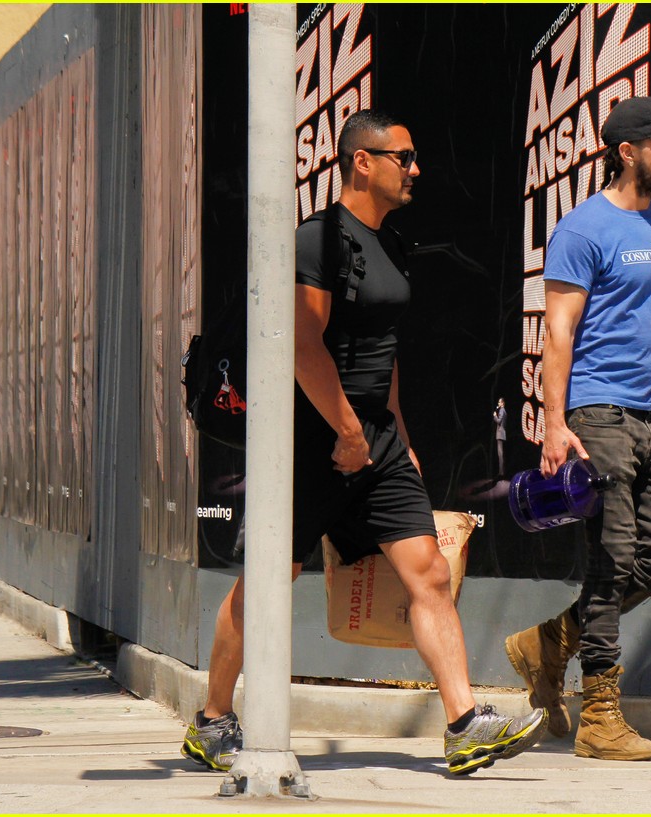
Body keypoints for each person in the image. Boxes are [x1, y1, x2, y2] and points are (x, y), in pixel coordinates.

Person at [182, 110, 545, 777]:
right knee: (270, 581)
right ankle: (212, 719)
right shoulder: (317, 241)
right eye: (403, 157)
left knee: (429, 572)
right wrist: (347, 430)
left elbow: (384, 347)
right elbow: (303, 344)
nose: (415, 170)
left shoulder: (390, 243)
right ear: (361, 162)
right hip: (309, 440)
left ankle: (464, 723)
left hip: (374, 440)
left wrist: (394, 431)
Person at [504, 97, 651, 761]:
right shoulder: (581, 230)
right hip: (597, 413)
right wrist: (554, 423)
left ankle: (548, 642)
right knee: (612, 557)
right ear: (627, 151)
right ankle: (600, 714)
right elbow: (558, 332)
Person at [493, 397, 508, 477]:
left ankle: (501, 472)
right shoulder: (504, 411)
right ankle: (501, 471)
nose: (498, 403)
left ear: (502, 403)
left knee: (500, 454)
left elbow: (499, 421)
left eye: (499, 402)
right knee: (501, 454)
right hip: (502, 433)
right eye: (498, 402)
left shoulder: (502, 410)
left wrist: (495, 416)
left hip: (500, 434)